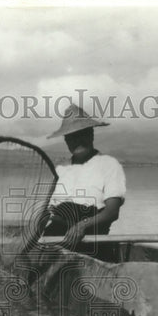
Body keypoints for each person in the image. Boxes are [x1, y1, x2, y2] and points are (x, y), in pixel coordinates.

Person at [43, 104, 126, 248]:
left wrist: (82, 225)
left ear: (91, 134)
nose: (77, 141)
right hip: (55, 240)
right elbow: (48, 209)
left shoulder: (109, 165)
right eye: (71, 137)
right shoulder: (61, 169)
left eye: (81, 135)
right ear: (66, 140)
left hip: (91, 241)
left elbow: (112, 212)